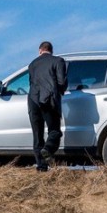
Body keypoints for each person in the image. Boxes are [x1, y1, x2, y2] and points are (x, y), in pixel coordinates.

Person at [28, 41, 68, 171]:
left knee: (37, 134)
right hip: (49, 100)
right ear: (51, 50)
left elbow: (31, 82)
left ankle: (41, 167)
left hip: (33, 100)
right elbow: (61, 82)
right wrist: (61, 91)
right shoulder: (58, 61)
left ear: (40, 51)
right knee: (54, 131)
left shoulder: (32, 64)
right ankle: (48, 149)